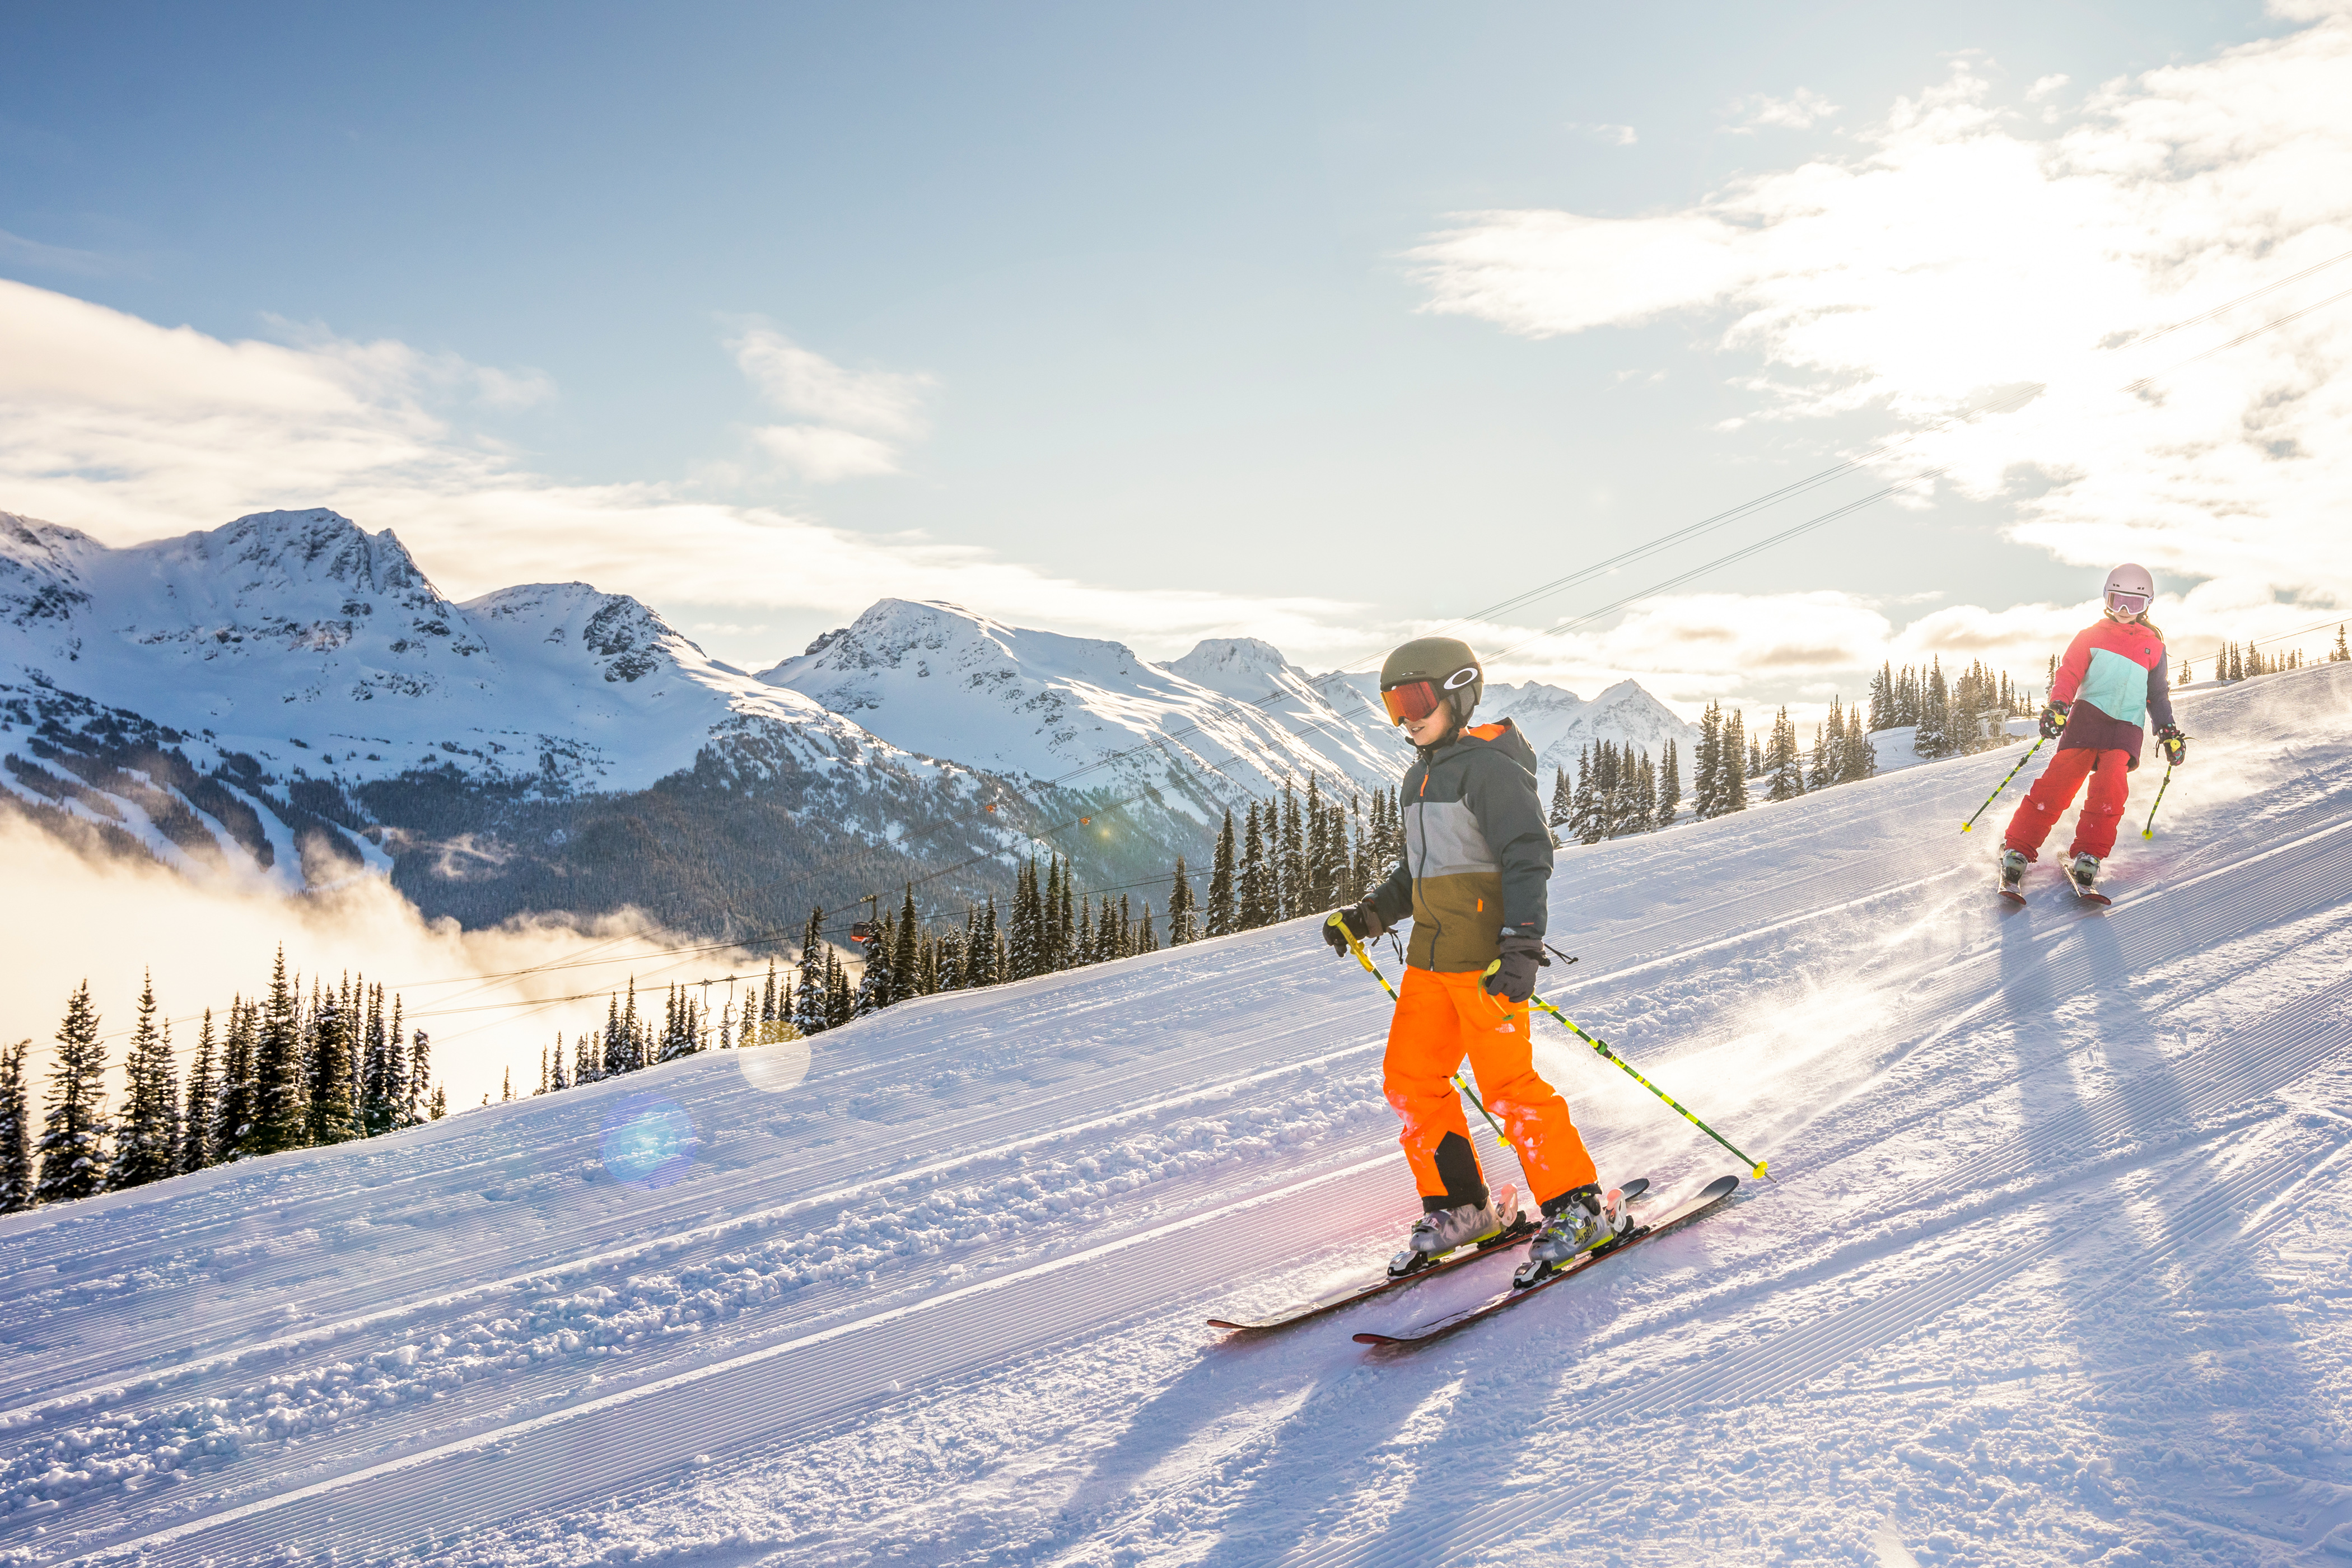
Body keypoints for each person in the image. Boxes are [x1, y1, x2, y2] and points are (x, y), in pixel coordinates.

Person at [1323, 636, 1626, 1278]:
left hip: (1486, 963)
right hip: (1429, 967)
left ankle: (1578, 1204)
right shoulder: (1419, 776)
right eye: (1393, 704)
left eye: (1416, 698)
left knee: (1509, 1088)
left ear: (1458, 693)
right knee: (1411, 1082)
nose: (1406, 716)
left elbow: (1527, 853)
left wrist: (1522, 943)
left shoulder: (1491, 768)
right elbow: (1420, 872)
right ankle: (1462, 1205)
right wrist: (1372, 913)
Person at [2001, 563, 2187, 894]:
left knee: (2110, 790)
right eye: (2118, 602)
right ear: (2107, 599)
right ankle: (2018, 847)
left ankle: (2089, 854)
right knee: (2060, 782)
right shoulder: (2091, 636)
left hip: (2127, 727)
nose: (2126, 611)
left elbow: (2157, 694)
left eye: (2135, 604)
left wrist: (2168, 731)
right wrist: (2058, 705)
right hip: (2088, 718)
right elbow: (2070, 673)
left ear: (2148, 606)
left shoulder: (2153, 646)